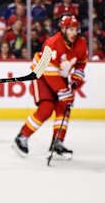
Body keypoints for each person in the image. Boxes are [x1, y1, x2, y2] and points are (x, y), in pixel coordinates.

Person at [13, 15, 87, 159]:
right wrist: (62, 90)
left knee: (64, 107)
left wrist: (75, 82)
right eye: (70, 29)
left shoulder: (81, 43)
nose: (74, 33)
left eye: (75, 29)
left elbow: (81, 63)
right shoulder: (52, 43)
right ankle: (22, 137)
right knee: (46, 108)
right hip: (41, 75)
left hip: (59, 77)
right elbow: (48, 70)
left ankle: (57, 142)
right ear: (63, 29)